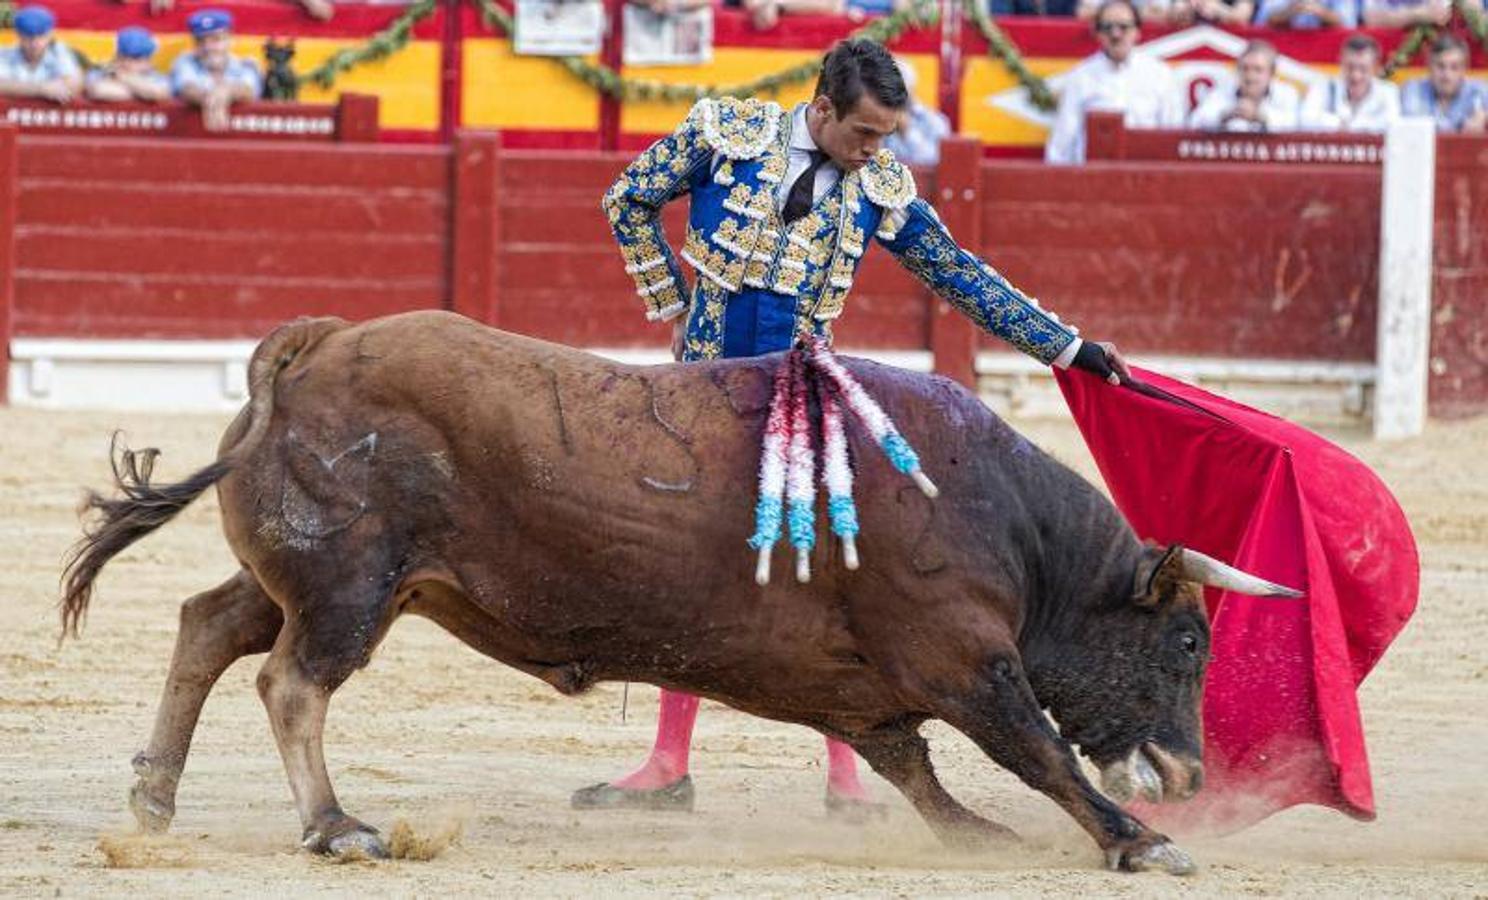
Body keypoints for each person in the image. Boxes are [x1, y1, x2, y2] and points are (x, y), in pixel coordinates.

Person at [581, 38, 1129, 815]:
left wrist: (1069, 349)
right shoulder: (726, 135)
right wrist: (671, 299)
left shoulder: (883, 188)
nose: (875, 152)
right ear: (823, 108)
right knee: (689, 570)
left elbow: (958, 273)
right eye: (864, 134)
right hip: (699, 399)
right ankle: (668, 763)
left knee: (834, 574)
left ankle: (845, 777)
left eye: (886, 138)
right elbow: (628, 198)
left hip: (803, 403)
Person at [1046, 0, 1182, 165]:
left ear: (1137, 31)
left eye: (1123, 27)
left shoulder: (1160, 75)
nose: (1116, 34)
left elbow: (1174, 135)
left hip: (1145, 176)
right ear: (1097, 33)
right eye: (1107, 28)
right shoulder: (1081, 77)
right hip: (1094, 177)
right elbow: (1062, 144)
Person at [171, 10, 263, 132]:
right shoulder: (186, 62)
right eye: (201, 41)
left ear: (230, 40)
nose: (208, 47)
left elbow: (248, 89)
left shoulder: (245, 65)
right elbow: (186, 88)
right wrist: (212, 98)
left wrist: (227, 91)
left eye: (216, 40)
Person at [1188, 40, 1300, 132]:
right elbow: (1195, 122)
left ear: (1272, 73)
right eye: (1245, 69)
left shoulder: (1287, 94)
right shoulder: (1222, 90)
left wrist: (1260, 117)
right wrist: (1226, 115)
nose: (1250, 76)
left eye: (1258, 70)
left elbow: (1298, 125)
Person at [1299, 34, 1400, 132]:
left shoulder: (1388, 91)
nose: (1356, 76)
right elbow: (1305, 120)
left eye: (1363, 69)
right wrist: (1344, 124)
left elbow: (1393, 125)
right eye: (1350, 67)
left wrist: (1346, 124)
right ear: (1340, 62)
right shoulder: (1323, 86)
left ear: (1375, 67)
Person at [1401, 33, 1488, 133]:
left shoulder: (1479, 90)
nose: (1447, 75)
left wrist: (1485, 117)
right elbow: (1415, 126)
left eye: (1454, 67)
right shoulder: (1413, 90)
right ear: (1428, 66)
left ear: (1464, 69)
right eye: (1440, 66)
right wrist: (1461, 129)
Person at [0, 5, 83, 104]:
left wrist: (21, 89)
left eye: (40, 36)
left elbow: (74, 83)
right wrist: (41, 88)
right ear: (19, 36)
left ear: (50, 35)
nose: (35, 43)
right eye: (29, 37)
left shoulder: (59, 52)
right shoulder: (5, 54)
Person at [883, 58, 950, 166]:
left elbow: (936, 161)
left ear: (912, 88)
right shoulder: (875, 119)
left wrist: (907, 132)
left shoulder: (936, 122)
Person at [85, 27, 171, 102]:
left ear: (148, 62)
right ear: (117, 57)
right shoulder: (104, 70)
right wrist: (143, 93)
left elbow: (158, 93)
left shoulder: (155, 75)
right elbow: (99, 91)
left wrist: (121, 77)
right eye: (123, 57)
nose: (127, 63)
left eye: (136, 59)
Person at [1253, 0, 1357, 28]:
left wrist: (1322, 13)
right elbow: (1262, 22)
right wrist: (1290, 11)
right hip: (1284, 57)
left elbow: (1349, 24)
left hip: (1328, 58)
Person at [1361, 0, 1452, 28]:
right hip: (1388, 55)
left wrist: (1393, 17)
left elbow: (1440, 15)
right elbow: (1370, 19)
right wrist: (1418, 14)